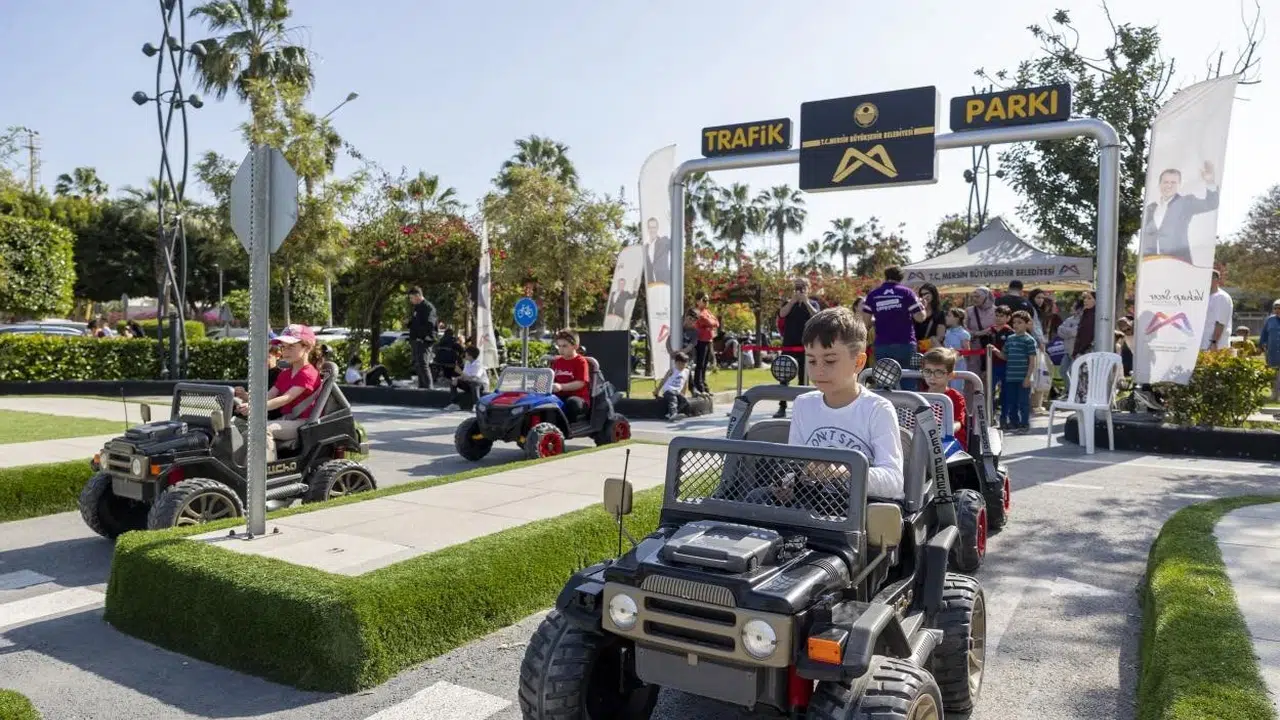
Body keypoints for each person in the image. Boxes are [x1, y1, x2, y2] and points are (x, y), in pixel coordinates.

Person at [788, 306, 905, 501]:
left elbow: (893, 483)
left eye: (830, 360)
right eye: (812, 361)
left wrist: (844, 471)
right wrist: (787, 483)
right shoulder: (803, 404)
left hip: (860, 512)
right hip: (810, 504)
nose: (818, 371)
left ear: (858, 363)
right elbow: (793, 464)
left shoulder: (877, 410)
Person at [233, 324, 323, 461]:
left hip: (304, 423)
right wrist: (248, 400)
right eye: (283, 347)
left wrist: (255, 408)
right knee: (247, 432)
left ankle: (266, 473)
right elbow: (268, 396)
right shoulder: (285, 374)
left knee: (264, 429)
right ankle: (237, 471)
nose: (285, 351)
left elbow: (286, 398)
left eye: (291, 347)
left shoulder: (309, 373)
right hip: (287, 419)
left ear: (307, 347)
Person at [1139, 163, 1219, 264]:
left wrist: (1209, 181)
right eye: (1165, 182)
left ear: (1179, 185)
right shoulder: (1150, 208)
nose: (1169, 185)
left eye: (1173, 182)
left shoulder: (1186, 202)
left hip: (1178, 262)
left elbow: (1211, 204)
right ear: (1159, 184)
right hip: (1152, 262)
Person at [862, 266, 926, 382]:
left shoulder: (873, 295)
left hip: (882, 345)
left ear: (885, 277)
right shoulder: (907, 293)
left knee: (885, 382)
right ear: (901, 278)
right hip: (905, 343)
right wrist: (923, 306)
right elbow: (920, 317)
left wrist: (882, 318)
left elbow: (865, 322)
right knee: (908, 381)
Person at [775, 278, 819, 417]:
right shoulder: (788, 303)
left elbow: (817, 316)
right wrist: (793, 301)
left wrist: (805, 302)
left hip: (806, 346)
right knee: (784, 376)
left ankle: (801, 408)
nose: (800, 289)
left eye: (802, 287)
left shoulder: (813, 303)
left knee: (803, 378)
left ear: (808, 288)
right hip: (789, 344)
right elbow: (782, 314)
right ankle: (782, 406)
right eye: (797, 287)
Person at [996, 311, 1038, 433]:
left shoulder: (1029, 340)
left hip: (1023, 377)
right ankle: (1013, 423)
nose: (1016, 325)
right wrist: (995, 351)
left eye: (1019, 322)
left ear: (1027, 324)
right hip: (1010, 376)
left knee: (1023, 402)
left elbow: (1032, 361)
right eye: (1014, 322)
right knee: (1011, 401)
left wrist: (1028, 377)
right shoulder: (1010, 338)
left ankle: (1024, 424)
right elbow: (1005, 356)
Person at [921, 347, 968, 452]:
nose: (932, 377)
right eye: (927, 371)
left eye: (939, 372)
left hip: (951, 441)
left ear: (950, 375)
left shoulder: (955, 397)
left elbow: (958, 423)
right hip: (924, 441)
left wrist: (942, 431)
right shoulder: (920, 396)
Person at [551, 329, 591, 423]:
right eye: (559, 346)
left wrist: (561, 386)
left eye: (565, 346)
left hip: (578, 398)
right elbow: (551, 378)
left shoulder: (580, 361)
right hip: (560, 397)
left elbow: (581, 383)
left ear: (575, 346)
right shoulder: (557, 362)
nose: (561, 349)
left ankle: (568, 426)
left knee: (572, 403)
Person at [406, 287, 438, 389]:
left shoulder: (428, 307)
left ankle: (429, 388)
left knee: (423, 364)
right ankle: (422, 387)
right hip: (415, 339)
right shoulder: (417, 307)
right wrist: (409, 323)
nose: (411, 301)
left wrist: (422, 336)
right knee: (418, 364)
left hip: (424, 339)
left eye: (412, 298)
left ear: (418, 296)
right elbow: (416, 322)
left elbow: (430, 325)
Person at [692, 292, 719, 396]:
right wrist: (710, 323)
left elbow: (716, 322)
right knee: (700, 364)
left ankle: (704, 385)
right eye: (704, 300)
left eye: (708, 300)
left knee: (705, 365)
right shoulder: (697, 312)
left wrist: (711, 322)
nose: (707, 302)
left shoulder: (707, 311)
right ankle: (698, 386)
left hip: (708, 340)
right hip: (700, 340)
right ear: (698, 301)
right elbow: (708, 322)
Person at [446, 346, 488, 410]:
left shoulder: (478, 365)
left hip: (481, 385)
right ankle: (455, 404)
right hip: (470, 383)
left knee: (474, 383)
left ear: (470, 355)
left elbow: (474, 378)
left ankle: (476, 405)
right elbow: (465, 376)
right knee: (453, 382)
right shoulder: (467, 363)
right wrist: (457, 378)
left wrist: (460, 372)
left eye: (466, 353)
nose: (464, 354)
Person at [653, 350, 691, 421]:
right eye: (679, 364)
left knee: (684, 401)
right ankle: (673, 414)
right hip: (669, 390)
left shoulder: (686, 371)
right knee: (673, 400)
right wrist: (657, 390)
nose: (681, 366)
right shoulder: (672, 370)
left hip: (677, 391)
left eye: (683, 364)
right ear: (675, 363)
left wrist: (684, 394)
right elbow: (663, 380)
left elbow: (685, 383)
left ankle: (670, 413)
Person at [1202, 270, 1234, 351]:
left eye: (1211, 278)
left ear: (1217, 280)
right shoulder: (1205, 297)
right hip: (1204, 344)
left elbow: (1220, 322)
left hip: (1216, 346)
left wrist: (1214, 342)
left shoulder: (1222, 297)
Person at [943, 307, 971, 392]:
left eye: (949, 315)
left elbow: (967, 352)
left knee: (956, 390)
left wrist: (956, 354)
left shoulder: (963, 333)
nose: (946, 317)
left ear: (957, 318)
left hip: (958, 366)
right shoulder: (946, 332)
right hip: (946, 365)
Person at [914, 283, 946, 352]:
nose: (924, 296)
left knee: (933, 339)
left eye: (926, 294)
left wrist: (925, 344)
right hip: (915, 347)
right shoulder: (915, 312)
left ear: (933, 294)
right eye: (921, 295)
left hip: (931, 348)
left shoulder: (940, 313)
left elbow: (940, 336)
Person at [1258, 299, 1280, 400]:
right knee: (1273, 375)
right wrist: (1261, 346)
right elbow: (1264, 335)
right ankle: (1274, 395)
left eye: (1279, 308)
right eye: (1275, 308)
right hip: (1272, 353)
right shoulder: (1270, 320)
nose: (1277, 310)